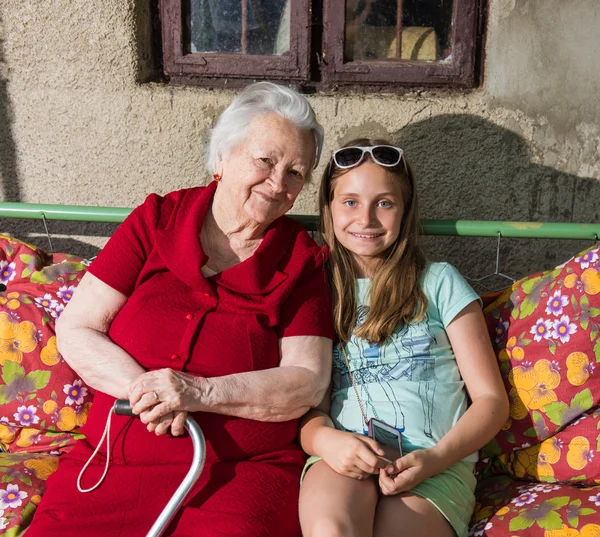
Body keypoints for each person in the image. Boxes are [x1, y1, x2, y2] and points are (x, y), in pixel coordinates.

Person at [26, 82, 334, 537]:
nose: (277, 183)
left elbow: (307, 381)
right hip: (114, 462)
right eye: (265, 161)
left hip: (236, 475)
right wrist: (150, 393)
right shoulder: (156, 221)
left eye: (296, 174)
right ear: (222, 157)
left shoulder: (302, 262)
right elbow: (79, 326)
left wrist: (197, 392)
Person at [298, 139, 509, 537]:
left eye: (384, 203)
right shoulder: (317, 292)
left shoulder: (439, 282)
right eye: (349, 202)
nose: (366, 218)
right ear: (327, 210)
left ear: (405, 209)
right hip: (344, 456)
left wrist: (433, 459)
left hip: (434, 466)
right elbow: (310, 409)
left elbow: (492, 402)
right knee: (330, 528)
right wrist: (327, 442)